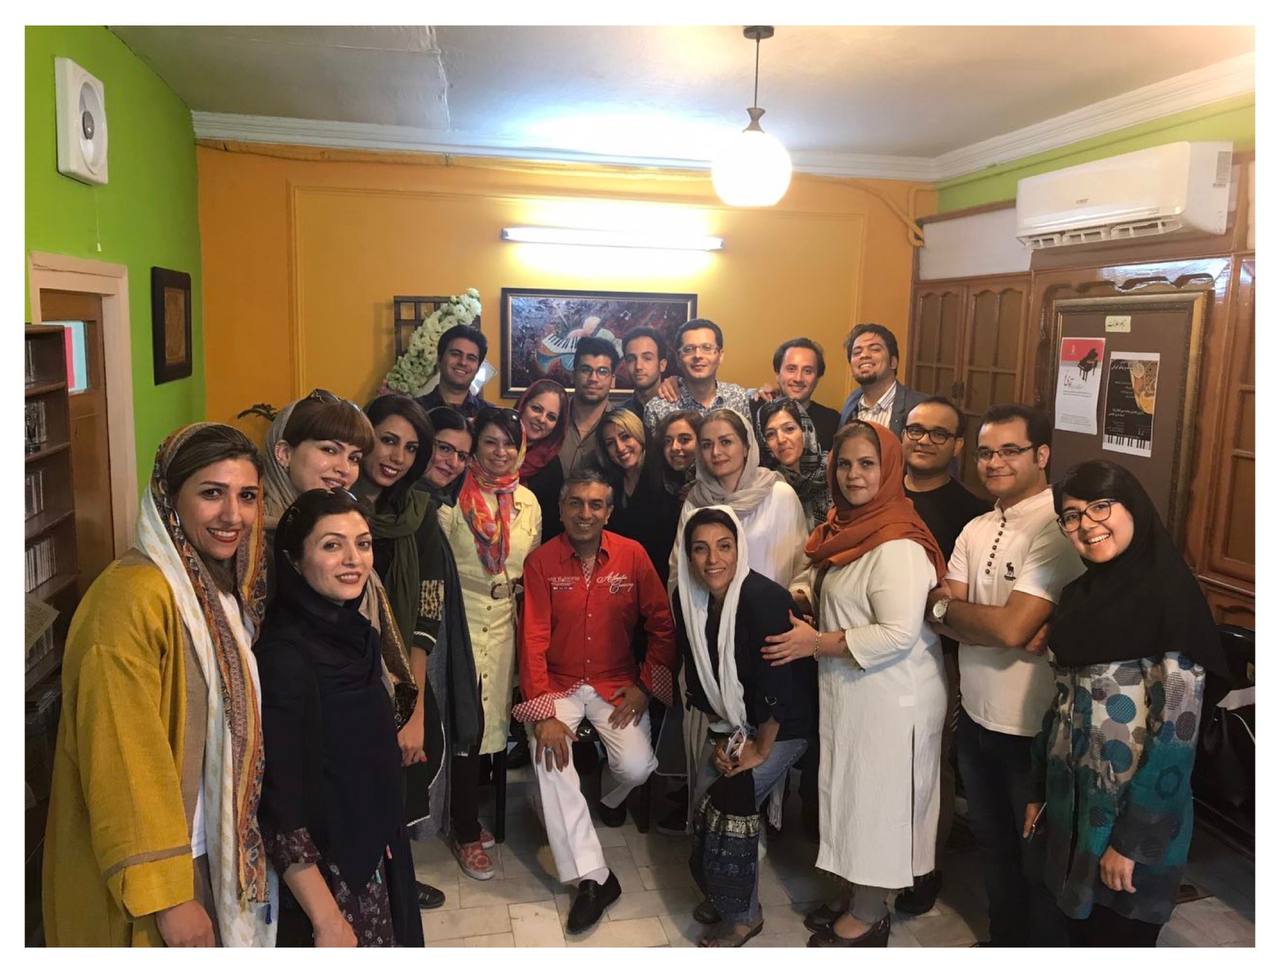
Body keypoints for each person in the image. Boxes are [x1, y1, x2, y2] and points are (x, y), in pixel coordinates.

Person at [44, 423, 276, 946]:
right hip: (155, 876)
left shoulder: (211, 588)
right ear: (169, 498)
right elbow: (122, 761)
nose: (233, 516)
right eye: (211, 493)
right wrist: (169, 899)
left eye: (247, 496)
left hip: (206, 849)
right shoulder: (129, 600)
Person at [1026, 460, 1227, 947]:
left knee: (1118, 938)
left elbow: (1176, 737)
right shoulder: (1078, 596)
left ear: (1132, 506)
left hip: (1131, 818)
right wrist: (1038, 790)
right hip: (1071, 804)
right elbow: (1060, 705)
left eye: (1100, 506)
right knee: (1073, 932)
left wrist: (1132, 842)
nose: (1086, 525)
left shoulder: (1170, 600)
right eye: (1071, 515)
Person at [763, 420, 948, 947]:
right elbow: (823, 573)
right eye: (844, 464)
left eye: (868, 464)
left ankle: (870, 915)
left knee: (878, 804)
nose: (853, 474)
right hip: (856, 689)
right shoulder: (845, 527)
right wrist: (806, 596)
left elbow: (897, 632)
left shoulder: (897, 542)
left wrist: (816, 642)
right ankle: (858, 895)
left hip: (892, 696)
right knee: (854, 795)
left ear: (889, 469)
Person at [925, 404, 1084, 946]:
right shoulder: (977, 526)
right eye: (986, 452)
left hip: (1033, 727)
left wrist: (964, 617)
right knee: (993, 844)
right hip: (976, 717)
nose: (994, 463)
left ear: (1042, 455)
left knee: (1037, 856)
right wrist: (975, 620)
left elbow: (1012, 628)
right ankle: (1004, 943)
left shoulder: (1057, 526)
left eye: (1010, 451)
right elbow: (941, 609)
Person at [256, 489, 424, 947]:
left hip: (377, 848)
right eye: (332, 545)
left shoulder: (355, 632)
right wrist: (327, 919)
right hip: (333, 875)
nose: (353, 560)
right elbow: (281, 805)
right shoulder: (285, 657)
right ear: (294, 560)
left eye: (363, 544)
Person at [515, 472, 677, 934]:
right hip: (558, 683)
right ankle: (594, 876)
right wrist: (544, 713)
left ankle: (607, 794)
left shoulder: (632, 555)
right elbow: (532, 639)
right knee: (551, 758)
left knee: (637, 768)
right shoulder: (541, 561)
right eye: (575, 503)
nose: (584, 513)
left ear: (608, 512)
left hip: (616, 683)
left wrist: (644, 687)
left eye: (595, 505)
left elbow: (662, 625)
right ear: (561, 509)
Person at [355, 394, 484, 909]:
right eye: (387, 440)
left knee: (399, 779)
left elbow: (428, 610)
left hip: (398, 673)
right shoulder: (332, 508)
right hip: (343, 674)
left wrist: (412, 706)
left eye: (411, 448)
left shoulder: (417, 513)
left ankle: (395, 883)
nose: (397, 457)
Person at [676, 507, 816, 947]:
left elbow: (779, 684)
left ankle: (743, 916)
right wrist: (725, 742)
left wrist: (758, 749)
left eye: (724, 546)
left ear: (739, 549)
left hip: (785, 725)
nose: (713, 560)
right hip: (735, 724)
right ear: (688, 556)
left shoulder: (764, 599)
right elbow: (702, 678)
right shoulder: (691, 603)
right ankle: (722, 892)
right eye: (700, 549)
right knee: (705, 795)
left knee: (731, 795)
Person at [665, 409, 809, 831]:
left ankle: (749, 819)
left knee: (763, 730)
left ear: (747, 446)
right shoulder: (695, 500)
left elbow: (801, 564)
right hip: (711, 639)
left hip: (765, 638)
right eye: (707, 444)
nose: (716, 452)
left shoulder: (779, 495)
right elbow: (678, 570)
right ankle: (720, 819)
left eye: (726, 441)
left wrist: (779, 610)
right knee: (717, 750)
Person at [437, 406, 542, 879]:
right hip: (457, 619)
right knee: (462, 723)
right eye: (490, 443)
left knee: (490, 725)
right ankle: (463, 829)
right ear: (474, 447)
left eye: (509, 444)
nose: (500, 452)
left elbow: (529, 568)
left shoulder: (529, 502)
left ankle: (467, 813)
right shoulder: (451, 495)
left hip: (504, 624)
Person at [895, 395, 990, 915]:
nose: (924, 441)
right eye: (915, 430)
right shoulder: (882, 493)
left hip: (939, 654)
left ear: (957, 446)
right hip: (877, 653)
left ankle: (923, 870)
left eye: (938, 433)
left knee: (929, 765)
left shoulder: (971, 514)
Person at [262, 388, 375, 537]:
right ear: (285, 453)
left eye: (354, 458)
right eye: (330, 450)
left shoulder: (353, 528)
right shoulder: (245, 530)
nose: (345, 469)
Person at [598, 406, 681, 575]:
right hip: (621, 576)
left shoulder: (667, 477)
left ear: (639, 435)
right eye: (610, 443)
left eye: (625, 437)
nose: (620, 448)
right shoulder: (608, 483)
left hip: (663, 575)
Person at [644, 319, 752, 432]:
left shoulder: (738, 397)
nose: (698, 355)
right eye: (689, 349)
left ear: (720, 356)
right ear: (678, 358)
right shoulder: (657, 408)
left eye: (707, 348)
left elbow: (749, 442)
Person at [836, 323, 926, 435]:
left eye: (875, 349)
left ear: (893, 362)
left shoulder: (919, 406)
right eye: (857, 352)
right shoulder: (851, 403)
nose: (864, 355)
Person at [757, 398, 832, 529]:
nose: (781, 440)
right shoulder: (764, 485)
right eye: (770, 434)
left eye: (789, 429)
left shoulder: (833, 471)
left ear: (805, 430)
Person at [760, 338, 841, 451]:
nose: (798, 378)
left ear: (817, 378)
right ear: (778, 374)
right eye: (791, 369)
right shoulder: (758, 412)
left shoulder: (832, 421)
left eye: (807, 371)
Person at [516, 378, 570, 542]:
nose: (541, 419)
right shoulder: (494, 445)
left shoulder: (552, 467)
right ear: (523, 406)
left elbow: (551, 526)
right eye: (536, 409)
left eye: (551, 417)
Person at [558, 335, 619, 475]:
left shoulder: (621, 426)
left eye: (602, 372)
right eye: (586, 370)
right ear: (573, 375)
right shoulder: (552, 417)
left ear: (613, 380)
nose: (593, 379)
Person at [416, 323, 493, 419]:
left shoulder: (489, 415)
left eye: (471, 358)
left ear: (478, 368)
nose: (463, 362)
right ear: (439, 359)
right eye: (455, 354)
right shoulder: (414, 411)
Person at [420, 406, 473, 505]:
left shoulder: (454, 506)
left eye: (462, 456)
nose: (453, 463)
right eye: (445, 448)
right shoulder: (394, 497)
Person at [617, 326, 669, 420]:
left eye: (647, 358)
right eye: (631, 359)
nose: (638, 366)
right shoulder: (620, 416)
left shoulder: (679, 410)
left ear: (662, 365)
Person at [655, 409, 700, 502]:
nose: (674, 447)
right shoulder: (660, 483)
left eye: (684, 439)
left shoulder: (715, 487)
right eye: (668, 441)